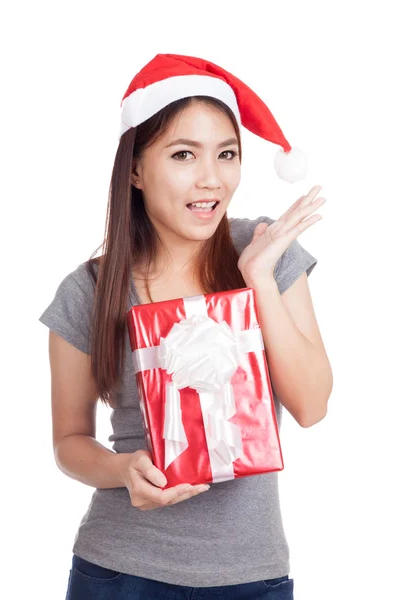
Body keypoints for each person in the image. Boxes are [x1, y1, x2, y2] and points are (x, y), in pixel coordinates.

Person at [39, 53, 333, 600]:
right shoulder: (88, 290)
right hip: (120, 569)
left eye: (227, 154)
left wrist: (259, 281)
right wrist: (124, 469)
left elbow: (312, 406)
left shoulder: (266, 251)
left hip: (252, 573)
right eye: (182, 154)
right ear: (134, 170)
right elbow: (68, 443)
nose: (211, 179)